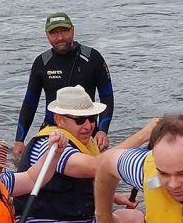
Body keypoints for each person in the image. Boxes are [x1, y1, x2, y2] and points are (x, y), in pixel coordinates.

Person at [17, 85, 156, 223]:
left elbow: (72, 184)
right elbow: (95, 166)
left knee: (134, 219)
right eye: (80, 120)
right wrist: (143, 136)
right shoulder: (51, 145)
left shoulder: (85, 143)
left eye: (92, 119)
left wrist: (113, 198)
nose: (88, 126)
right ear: (59, 120)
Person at [13, 12, 114, 162]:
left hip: (85, 130)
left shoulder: (92, 57)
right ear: (47, 35)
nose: (60, 37)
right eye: (54, 33)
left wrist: (102, 131)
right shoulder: (42, 62)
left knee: (95, 173)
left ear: (73, 30)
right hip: (53, 130)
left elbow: (106, 96)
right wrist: (19, 140)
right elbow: (30, 102)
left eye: (64, 31)